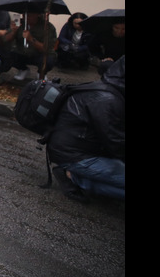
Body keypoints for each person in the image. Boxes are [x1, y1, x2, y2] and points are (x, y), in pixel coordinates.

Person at [47, 56, 125, 202]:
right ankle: (74, 176)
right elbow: (117, 143)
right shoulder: (107, 100)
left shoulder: (113, 92)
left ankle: (81, 177)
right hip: (74, 155)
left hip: (84, 149)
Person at [3, 12, 58, 80]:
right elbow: (6, 40)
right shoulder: (19, 23)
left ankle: (41, 72)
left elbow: (47, 48)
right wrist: (13, 31)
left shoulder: (47, 27)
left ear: (37, 15)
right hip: (22, 52)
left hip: (39, 54)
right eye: (24, 15)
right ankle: (23, 69)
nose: (26, 17)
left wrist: (31, 39)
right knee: (7, 53)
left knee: (50, 59)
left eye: (29, 15)